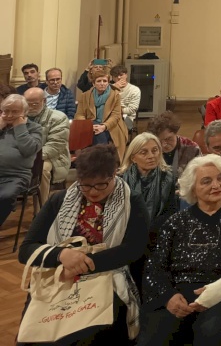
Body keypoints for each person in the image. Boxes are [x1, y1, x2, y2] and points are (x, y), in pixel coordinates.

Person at [18, 144, 149, 345]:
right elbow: (26, 250)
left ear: (114, 174)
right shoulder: (60, 200)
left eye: (101, 185)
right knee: (35, 334)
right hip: (58, 274)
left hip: (106, 276)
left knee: (86, 334)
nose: (92, 192)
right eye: (85, 185)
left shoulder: (132, 201)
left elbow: (133, 250)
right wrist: (62, 256)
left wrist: (81, 264)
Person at [141, 154, 221, 346]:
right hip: (178, 293)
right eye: (206, 181)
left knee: (210, 333)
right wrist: (168, 296)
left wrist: (218, 290)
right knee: (154, 336)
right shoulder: (175, 222)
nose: (216, 185)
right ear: (193, 188)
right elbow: (155, 267)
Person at [119, 132, 179, 246]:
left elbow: (171, 212)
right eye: (144, 152)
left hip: (157, 235)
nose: (151, 156)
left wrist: (149, 230)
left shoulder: (168, 178)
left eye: (155, 150)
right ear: (133, 158)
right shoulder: (121, 180)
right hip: (127, 234)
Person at [0, 94, 43, 226]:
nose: (9, 115)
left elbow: (29, 149)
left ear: (25, 112)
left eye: (15, 112)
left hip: (17, 176)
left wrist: (20, 127)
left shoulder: (34, 128)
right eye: (6, 111)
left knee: (5, 197)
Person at [24, 87, 69, 203]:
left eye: (34, 104)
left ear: (44, 101)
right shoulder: (20, 117)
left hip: (52, 157)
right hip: (26, 155)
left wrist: (33, 157)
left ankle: (41, 210)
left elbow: (55, 146)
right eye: (26, 103)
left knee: (42, 170)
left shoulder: (58, 117)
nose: (29, 107)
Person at [76, 63, 127, 159]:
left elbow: (116, 116)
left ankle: (100, 162)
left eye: (105, 81)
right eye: (99, 81)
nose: (102, 83)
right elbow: (80, 114)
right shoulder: (85, 95)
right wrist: (88, 125)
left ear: (108, 82)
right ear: (93, 83)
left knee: (99, 134)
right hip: (90, 125)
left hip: (111, 126)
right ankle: (100, 162)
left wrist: (104, 126)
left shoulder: (115, 95)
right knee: (94, 132)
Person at [148, 110, 201, 177]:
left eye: (168, 139)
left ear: (176, 133)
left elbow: (199, 176)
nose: (164, 145)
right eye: (159, 141)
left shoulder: (192, 149)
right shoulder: (150, 150)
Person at [110, 64, 141, 131]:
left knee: (114, 127)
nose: (118, 77)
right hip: (109, 115)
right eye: (115, 76)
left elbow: (132, 109)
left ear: (126, 75)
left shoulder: (134, 90)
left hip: (126, 117)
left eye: (121, 75)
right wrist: (115, 89)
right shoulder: (109, 88)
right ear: (112, 78)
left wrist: (116, 110)